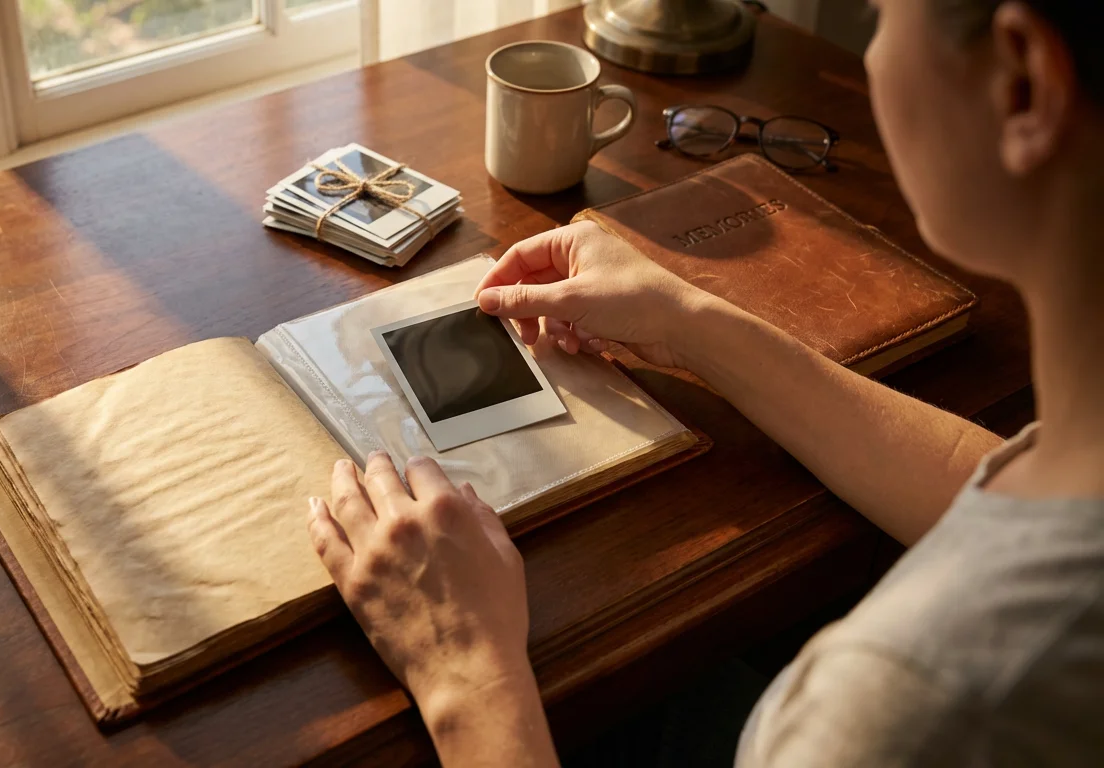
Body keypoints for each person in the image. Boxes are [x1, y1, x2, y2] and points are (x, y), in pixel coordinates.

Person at [304, 0, 1104, 763]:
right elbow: (989, 490)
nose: (877, 53)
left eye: (887, 17)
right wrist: (689, 319)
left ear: (1023, 85)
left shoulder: (902, 707)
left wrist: (466, 678)